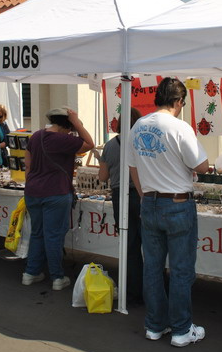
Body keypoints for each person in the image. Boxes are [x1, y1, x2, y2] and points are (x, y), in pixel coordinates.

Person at [128, 78, 209, 348]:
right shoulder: (179, 127)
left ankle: (155, 325)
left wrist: (143, 196)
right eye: (182, 102)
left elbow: (133, 168)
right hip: (176, 203)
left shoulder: (138, 125)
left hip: (149, 201)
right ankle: (181, 329)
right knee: (181, 270)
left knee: (152, 268)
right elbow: (204, 165)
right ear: (177, 101)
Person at [22, 107, 93, 290]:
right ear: (68, 125)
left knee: (37, 233)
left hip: (33, 191)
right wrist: (77, 122)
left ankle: (30, 273)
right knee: (53, 236)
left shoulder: (36, 136)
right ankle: (57, 278)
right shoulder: (63, 139)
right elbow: (89, 143)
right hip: (56, 192)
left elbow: (27, 165)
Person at [98, 107, 143, 305]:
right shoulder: (142, 142)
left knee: (129, 246)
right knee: (151, 245)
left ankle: (132, 292)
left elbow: (102, 177)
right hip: (142, 196)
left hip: (120, 197)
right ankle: (152, 291)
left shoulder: (110, 145)